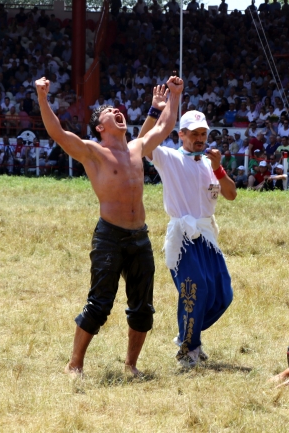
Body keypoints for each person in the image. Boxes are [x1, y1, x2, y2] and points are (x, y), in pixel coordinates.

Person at [36, 75, 183, 377]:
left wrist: (175, 97)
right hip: (110, 236)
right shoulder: (93, 152)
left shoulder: (138, 147)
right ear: (100, 127)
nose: (118, 112)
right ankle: (74, 364)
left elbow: (165, 126)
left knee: (143, 308)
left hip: (139, 236)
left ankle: (131, 365)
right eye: (109, 113)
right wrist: (42, 97)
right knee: (99, 303)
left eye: (119, 110)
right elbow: (58, 133)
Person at [146, 109, 237, 368]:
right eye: (194, 134)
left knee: (223, 293)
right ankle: (188, 349)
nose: (200, 138)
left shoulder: (211, 164)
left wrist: (219, 169)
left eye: (203, 134)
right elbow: (143, 143)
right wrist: (156, 111)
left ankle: (190, 335)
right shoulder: (169, 157)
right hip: (183, 236)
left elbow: (231, 194)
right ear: (181, 135)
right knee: (194, 289)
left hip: (207, 235)